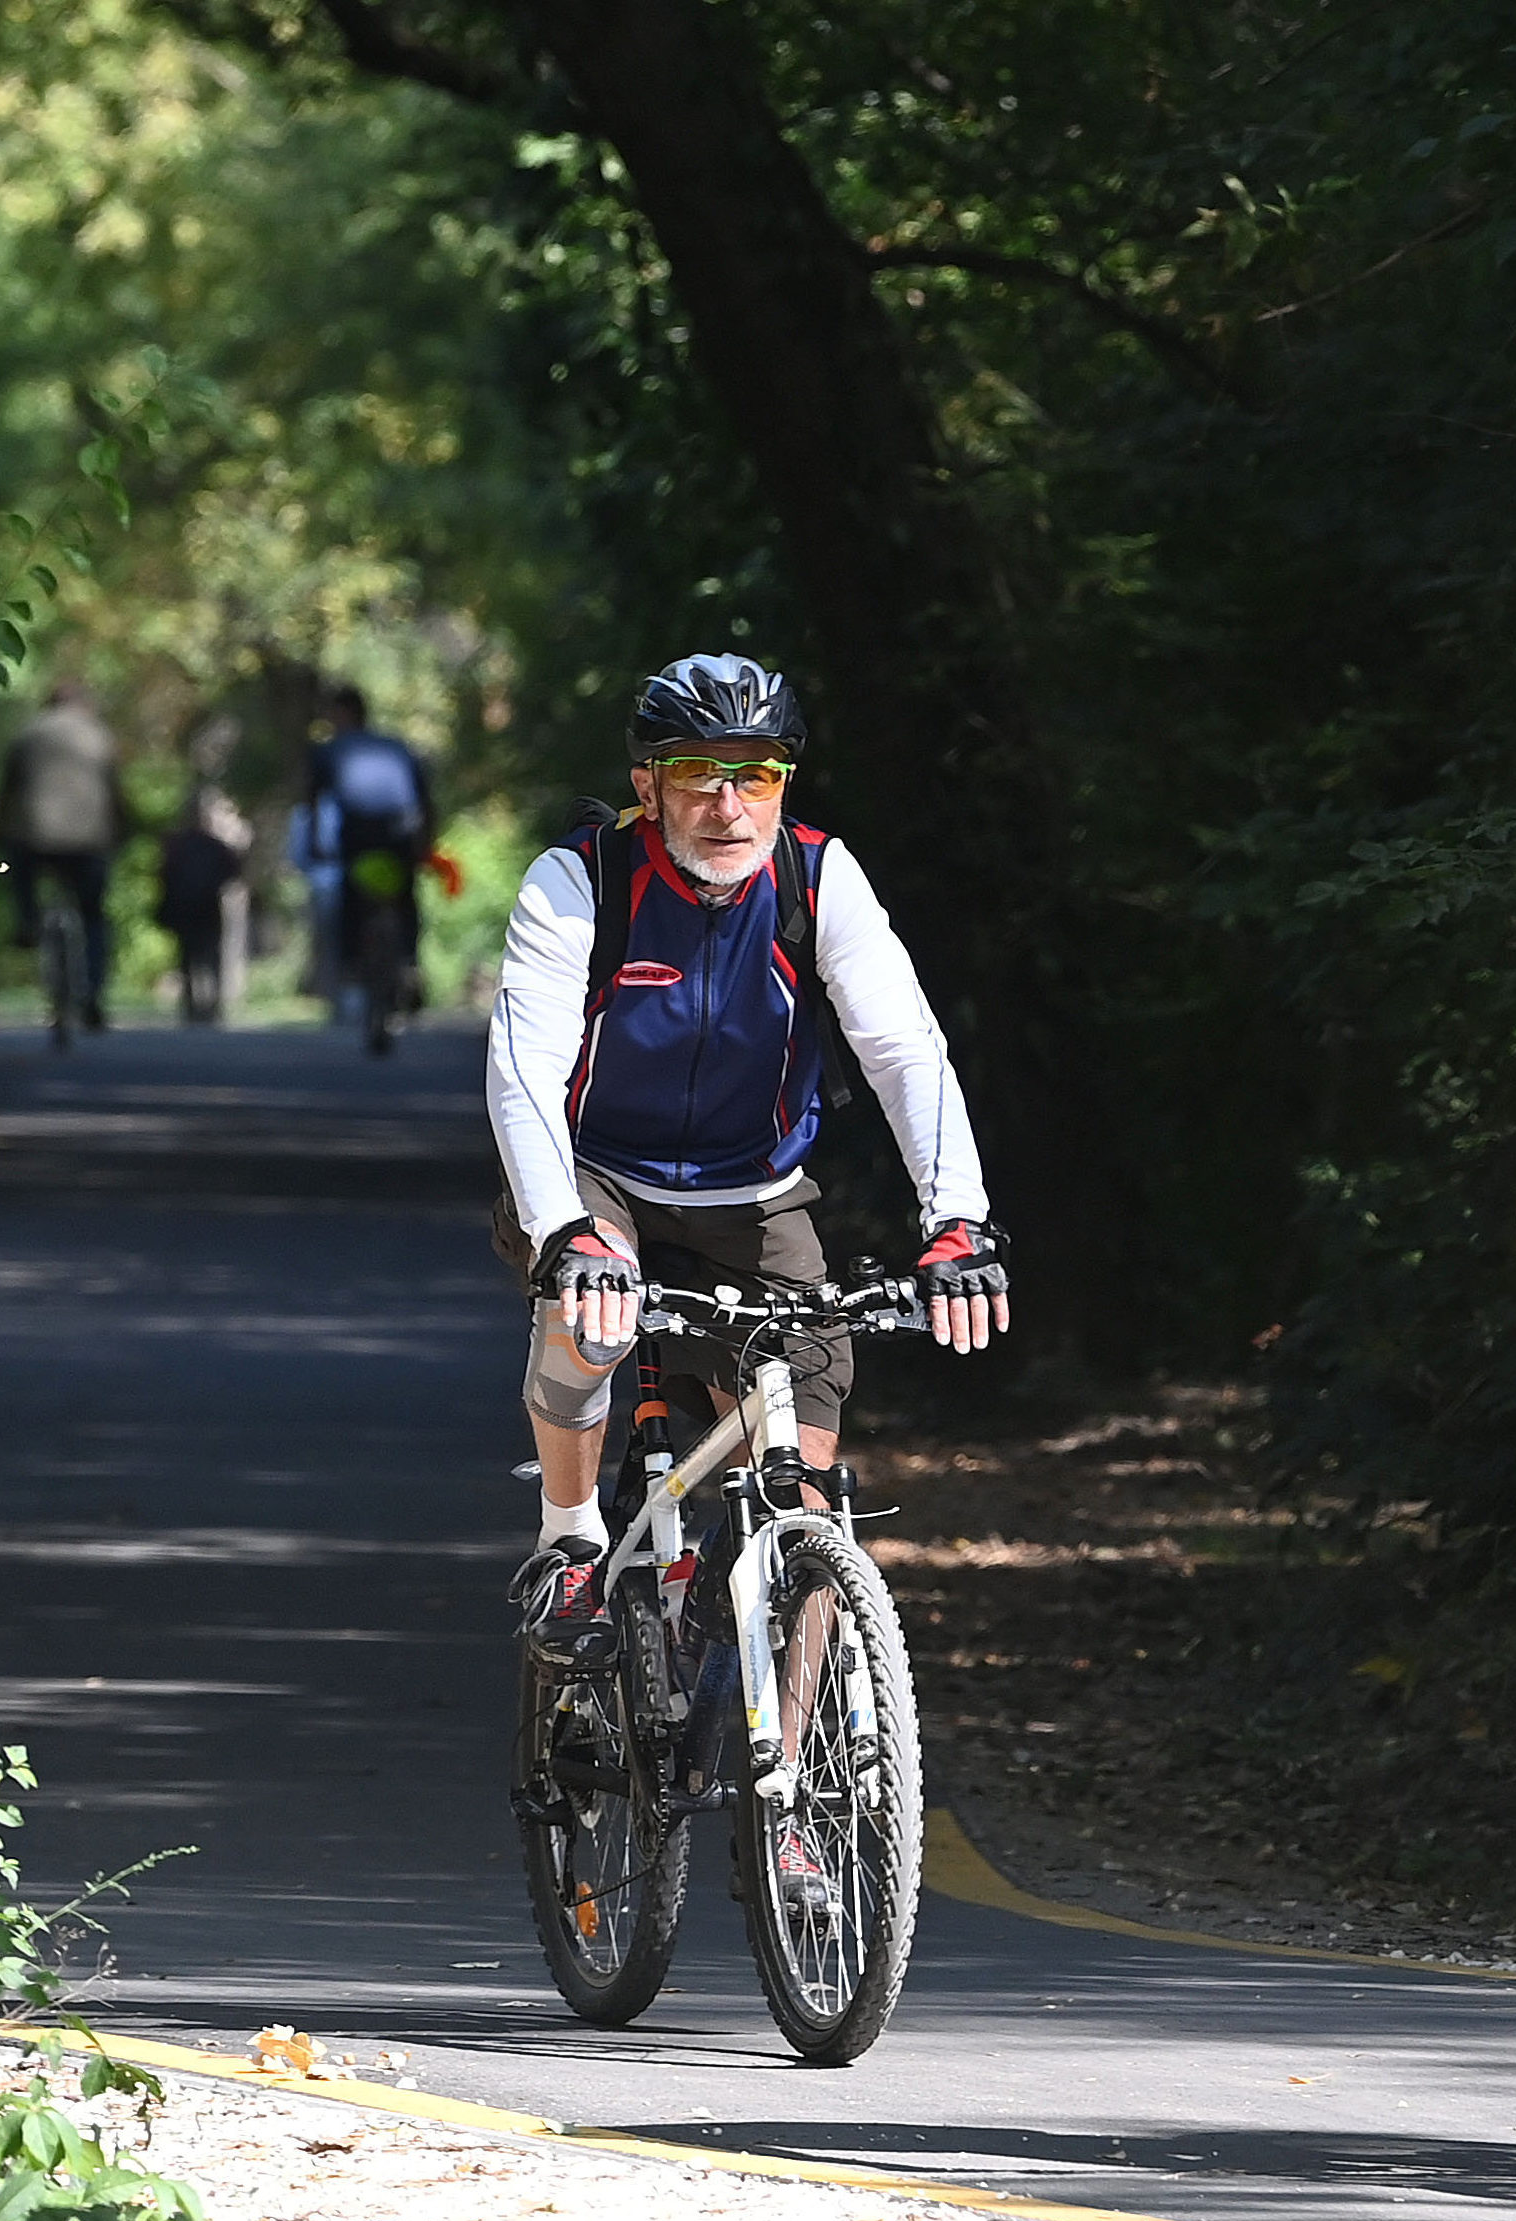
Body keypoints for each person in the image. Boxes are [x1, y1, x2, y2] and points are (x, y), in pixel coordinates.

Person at [483, 650, 1011, 1917]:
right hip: (595, 1172)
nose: (728, 803)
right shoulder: (582, 881)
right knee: (588, 1326)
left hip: (753, 1191)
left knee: (807, 1454)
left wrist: (960, 1225)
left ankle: (799, 1763)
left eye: (755, 775)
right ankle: (568, 1542)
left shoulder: (817, 876)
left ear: (784, 786)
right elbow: (522, 1067)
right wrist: (566, 1234)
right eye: (696, 776)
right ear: (646, 786)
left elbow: (901, 1047)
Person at [303, 686, 439, 1046]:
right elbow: (425, 799)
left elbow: (314, 799)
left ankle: (351, 965)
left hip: (359, 838)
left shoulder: (331, 749)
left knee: (352, 903)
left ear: (343, 714)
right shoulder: (396, 746)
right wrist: (426, 845)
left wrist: (316, 843)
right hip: (401, 834)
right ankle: (409, 961)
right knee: (404, 899)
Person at [0, 679, 121, 1035]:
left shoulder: (29, 734)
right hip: (89, 842)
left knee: (21, 873)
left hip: (34, 838)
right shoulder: (99, 735)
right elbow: (116, 792)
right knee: (93, 917)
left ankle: (27, 921)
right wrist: (121, 831)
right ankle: (92, 993)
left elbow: (7, 788)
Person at [151, 778, 250, 1027]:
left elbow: (163, 873)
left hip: (186, 905)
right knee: (209, 954)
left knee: (189, 955)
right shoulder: (213, 846)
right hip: (206, 904)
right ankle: (210, 1004)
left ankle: (194, 1004)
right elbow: (233, 872)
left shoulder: (176, 844)